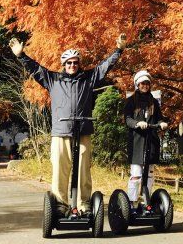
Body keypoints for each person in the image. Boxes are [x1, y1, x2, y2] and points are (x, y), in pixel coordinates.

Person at [9, 33, 126, 216]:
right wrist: (21, 55)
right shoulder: (53, 79)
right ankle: (60, 204)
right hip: (61, 132)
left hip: (83, 131)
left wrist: (118, 50)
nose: (72, 65)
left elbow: (105, 66)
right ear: (64, 64)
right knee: (60, 170)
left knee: (83, 169)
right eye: (69, 63)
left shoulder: (88, 78)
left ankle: (84, 203)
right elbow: (35, 69)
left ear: (79, 64)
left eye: (75, 62)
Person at [124, 70, 168, 214]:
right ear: (137, 84)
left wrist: (162, 123)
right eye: (142, 83)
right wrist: (137, 123)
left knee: (149, 174)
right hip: (137, 141)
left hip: (151, 141)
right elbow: (127, 119)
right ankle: (132, 203)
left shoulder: (153, 101)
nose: (145, 86)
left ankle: (146, 202)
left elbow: (159, 118)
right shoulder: (131, 101)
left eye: (147, 83)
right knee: (136, 174)